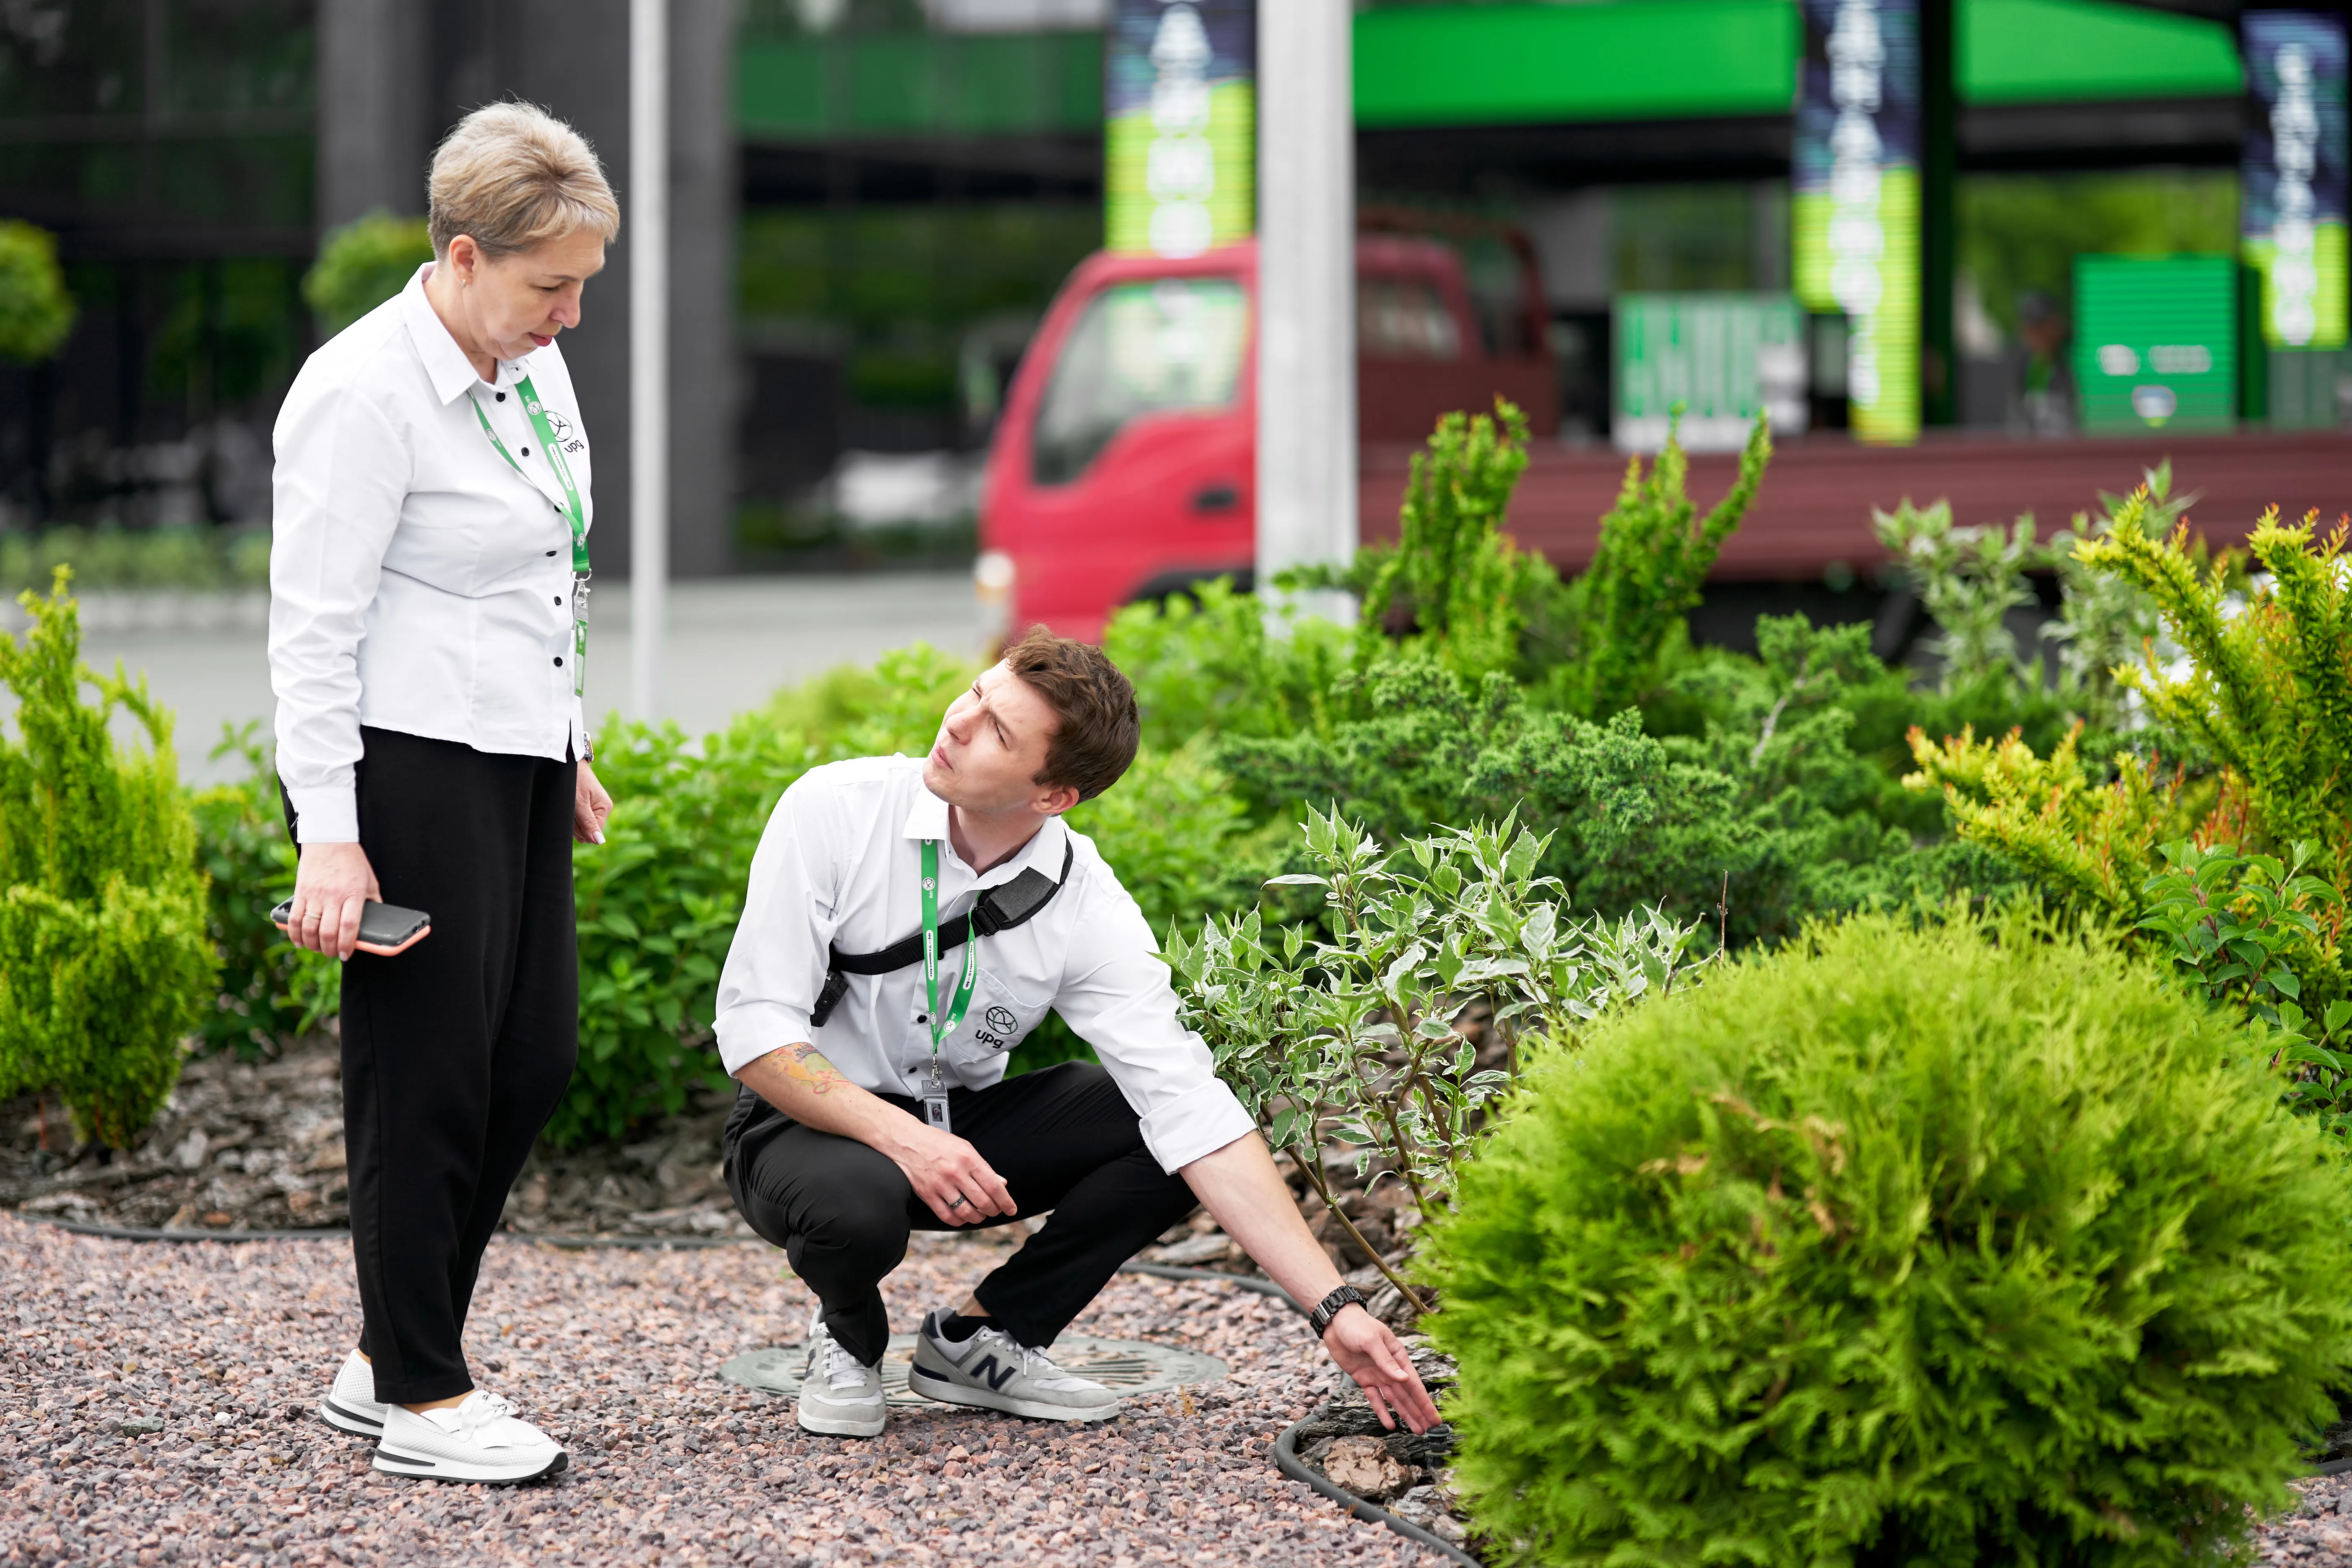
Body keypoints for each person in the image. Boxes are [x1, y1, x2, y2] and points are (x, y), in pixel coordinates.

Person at [715, 629, 1440, 1439]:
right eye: (978, 694)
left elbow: (1188, 1104)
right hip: (803, 1123)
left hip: (958, 1132)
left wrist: (1334, 1307)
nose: (958, 722)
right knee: (857, 1207)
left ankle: (987, 1336)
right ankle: (848, 1333)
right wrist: (907, 1141)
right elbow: (754, 1031)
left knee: (1165, 1132)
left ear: (1053, 795)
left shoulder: (1081, 899)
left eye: (997, 731)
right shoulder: (834, 809)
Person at [270, 101, 620, 1485]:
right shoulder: (359, 392)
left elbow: (553, 564)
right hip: (402, 762)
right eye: (552, 285)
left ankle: (386, 1352)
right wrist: (330, 835)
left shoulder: (529, 361)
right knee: (423, 1079)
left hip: (515, 751)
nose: (571, 314)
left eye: (583, 284)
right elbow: (312, 631)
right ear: (464, 256)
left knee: (530, 1059)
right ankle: (422, 1393)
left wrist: (566, 738)